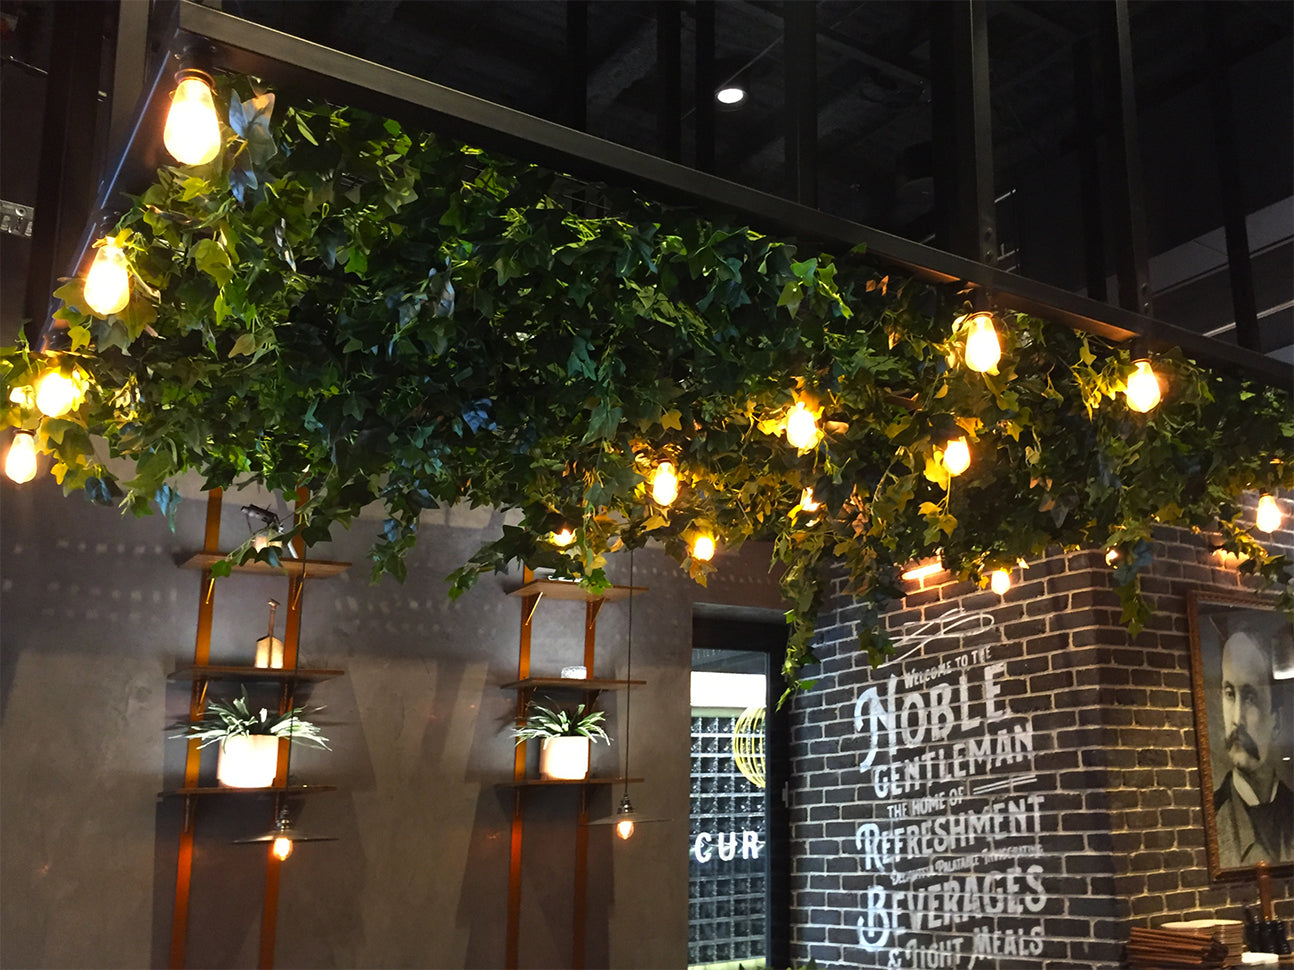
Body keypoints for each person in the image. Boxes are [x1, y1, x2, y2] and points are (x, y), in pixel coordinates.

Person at [1213, 629, 1294, 868]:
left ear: (1276, 721)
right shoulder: (1213, 816)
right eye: (1230, 694)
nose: (1237, 719)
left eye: (1250, 698)